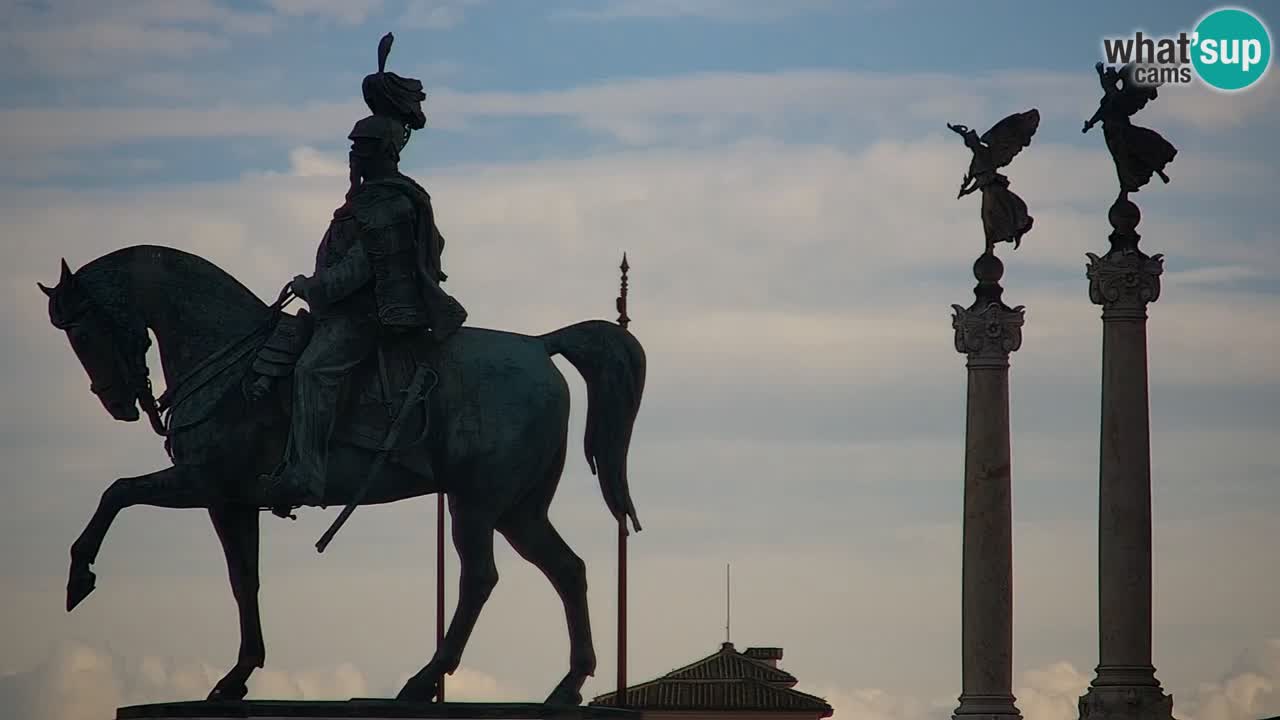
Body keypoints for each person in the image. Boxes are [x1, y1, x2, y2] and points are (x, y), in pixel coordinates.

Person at [259, 42, 467, 507]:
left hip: (368, 318)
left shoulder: (389, 201)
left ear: (382, 151)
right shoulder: (368, 199)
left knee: (313, 371)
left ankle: (306, 475)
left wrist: (314, 286)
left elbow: (361, 268)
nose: (353, 156)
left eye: (361, 148)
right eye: (354, 148)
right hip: (338, 313)